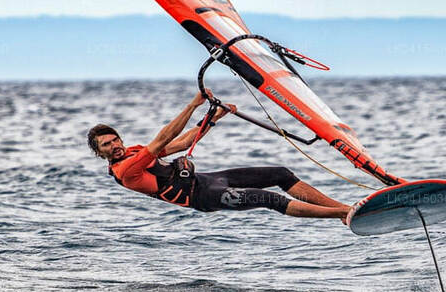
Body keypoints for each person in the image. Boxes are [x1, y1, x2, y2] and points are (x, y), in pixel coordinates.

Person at [88, 93, 350, 221]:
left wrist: (212, 118)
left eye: (114, 140)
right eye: (106, 146)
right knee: (271, 200)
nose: (113, 146)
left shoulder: (133, 151)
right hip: (204, 197)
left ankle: (340, 210)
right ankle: (345, 213)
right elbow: (163, 138)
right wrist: (193, 105)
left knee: (279, 173)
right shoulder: (126, 170)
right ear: (100, 153)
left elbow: (183, 142)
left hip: (207, 180)